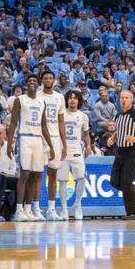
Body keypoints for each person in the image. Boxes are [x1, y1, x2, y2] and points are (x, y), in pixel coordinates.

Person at [8, 74, 53, 222]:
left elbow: (44, 126)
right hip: (25, 137)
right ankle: (19, 210)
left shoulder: (42, 101)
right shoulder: (19, 100)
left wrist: (51, 146)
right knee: (24, 174)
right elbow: (13, 122)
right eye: (29, 81)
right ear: (26, 85)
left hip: (38, 139)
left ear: (38, 84)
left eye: (34, 81)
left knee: (36, 175)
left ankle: (29, 209)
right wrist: (10, 143)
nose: (32, 82)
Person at [107, 90, 135, 220]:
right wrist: (112, 138)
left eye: (126, 97)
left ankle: (132, 213)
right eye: (122, 97)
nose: (124, 100)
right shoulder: (118, 115)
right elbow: (118, 131)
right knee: (114, 181)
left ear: (132, 100)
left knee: (126, 183)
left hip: (132, 152)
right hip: (119, 151)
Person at [59, 90, 92, 220]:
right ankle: (64, 208)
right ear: (66, 100)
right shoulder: (61, 114)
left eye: (75, 98)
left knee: (81, 178)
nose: (72, 100)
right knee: (62, 180)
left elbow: (86, 134)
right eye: (70, 98)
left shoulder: (83, 116)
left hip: (77, 150)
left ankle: (77, 205)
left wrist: (89, 145)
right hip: (63, 150)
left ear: (79, 100)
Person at [39, 70, 67, 220]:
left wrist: (64, 143)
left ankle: (51, 209)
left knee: (52, 175)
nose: (48, 80)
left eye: (51, 78)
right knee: (36, 175)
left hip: (55, 138)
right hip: (39, 138)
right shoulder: (37, 95)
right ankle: (34, 208)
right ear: (42, 80)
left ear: (54, 81)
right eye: (46, 78)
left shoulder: (59, 97)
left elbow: (61, 121)